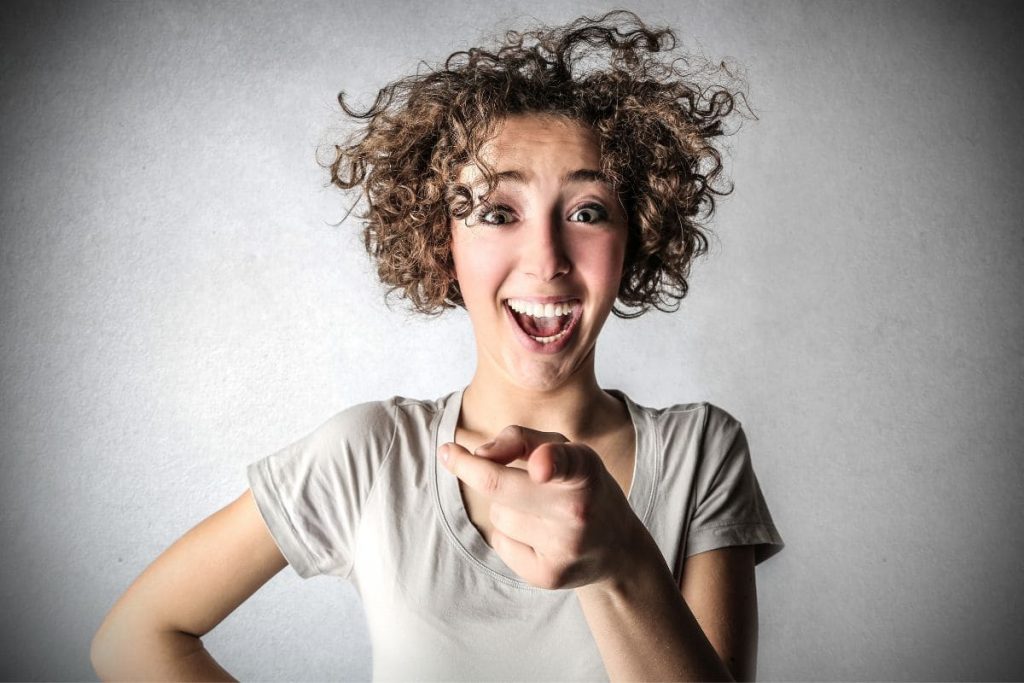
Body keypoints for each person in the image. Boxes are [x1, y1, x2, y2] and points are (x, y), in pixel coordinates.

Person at [91, 10, 783, 682]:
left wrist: (623, 560)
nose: (546, 257)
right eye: (497, 212)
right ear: (441, 243)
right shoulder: (370, 455)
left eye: (587, 212)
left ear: (633, 238)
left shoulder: (701, 453)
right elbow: (136, 639)